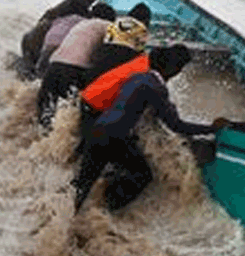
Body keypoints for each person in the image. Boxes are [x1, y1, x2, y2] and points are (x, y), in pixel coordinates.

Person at [71, 44, 228, 212]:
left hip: (98, 130)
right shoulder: (156, 88)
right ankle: (107, 210)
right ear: (174, 69)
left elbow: (129, 107)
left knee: (80, 187)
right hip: (114, 138)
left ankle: (62, 219)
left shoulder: (137, 77)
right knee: (143, 175)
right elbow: (176, 125)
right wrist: (211, 128)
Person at [35, 2, 116, 129]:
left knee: (45, 119)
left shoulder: (81, 24)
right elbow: (114, 53)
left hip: (52, 67)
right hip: (73, 71)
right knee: (70, 119)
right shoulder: (108, 26)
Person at [17, 0, 101, 79]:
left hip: (30, 40)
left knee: (28, 75)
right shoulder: (78, 9)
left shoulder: (66, 4)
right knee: (35, 76)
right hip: (36, 44)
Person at [85, 3, 152, 83]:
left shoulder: (116, 23)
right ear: (147, 20)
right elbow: (141, 52)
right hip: (120, 63)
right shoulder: (142, 28)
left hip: (99, 61)